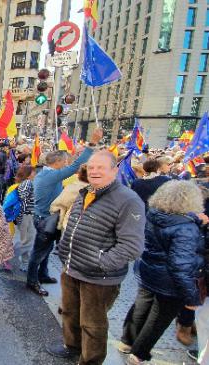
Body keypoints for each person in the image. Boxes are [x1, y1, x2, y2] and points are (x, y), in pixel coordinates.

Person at [47, 151, 145, 365]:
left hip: (99, 279)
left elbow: (132, 246)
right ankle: (71, 346)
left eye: (101, 167)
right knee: (70, 313)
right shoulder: (85, 192)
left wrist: (101, 263)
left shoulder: (128, 200)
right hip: (72, 268)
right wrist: (65, 253)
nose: (95, 171)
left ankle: (90, 361)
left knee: (93, 325)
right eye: (91, 167)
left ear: (114, 170)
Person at [120, 180, 206, 365]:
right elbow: (180, 265)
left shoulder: (154, 214)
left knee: (141, 307)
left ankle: (127, 341)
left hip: (148, 270)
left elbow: (172, 228)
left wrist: (196, 220)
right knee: (158, 319)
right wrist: (191, 298)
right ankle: (138, 354)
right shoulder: (186, 228)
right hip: (169, 281)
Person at [26, 128, 103, 297]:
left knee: (45, 250)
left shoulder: (46, 173)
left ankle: (43, 274)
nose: (68, 164)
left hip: (47, 218)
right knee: (38, 253)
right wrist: (92, 144)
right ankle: (32, 281)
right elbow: (76, 166)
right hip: (46, 220)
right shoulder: (50, 176)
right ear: (59, 162)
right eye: (66, 162)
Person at [14, 164, 37, 271]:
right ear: (28, 174)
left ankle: (25, 263)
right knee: (29, 241)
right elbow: (23, 198)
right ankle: (8, 255)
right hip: (26, 215)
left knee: (25, 240)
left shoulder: (23, 183)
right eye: (33, 172)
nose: (35, 174)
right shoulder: (28, 183)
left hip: (24, 215)